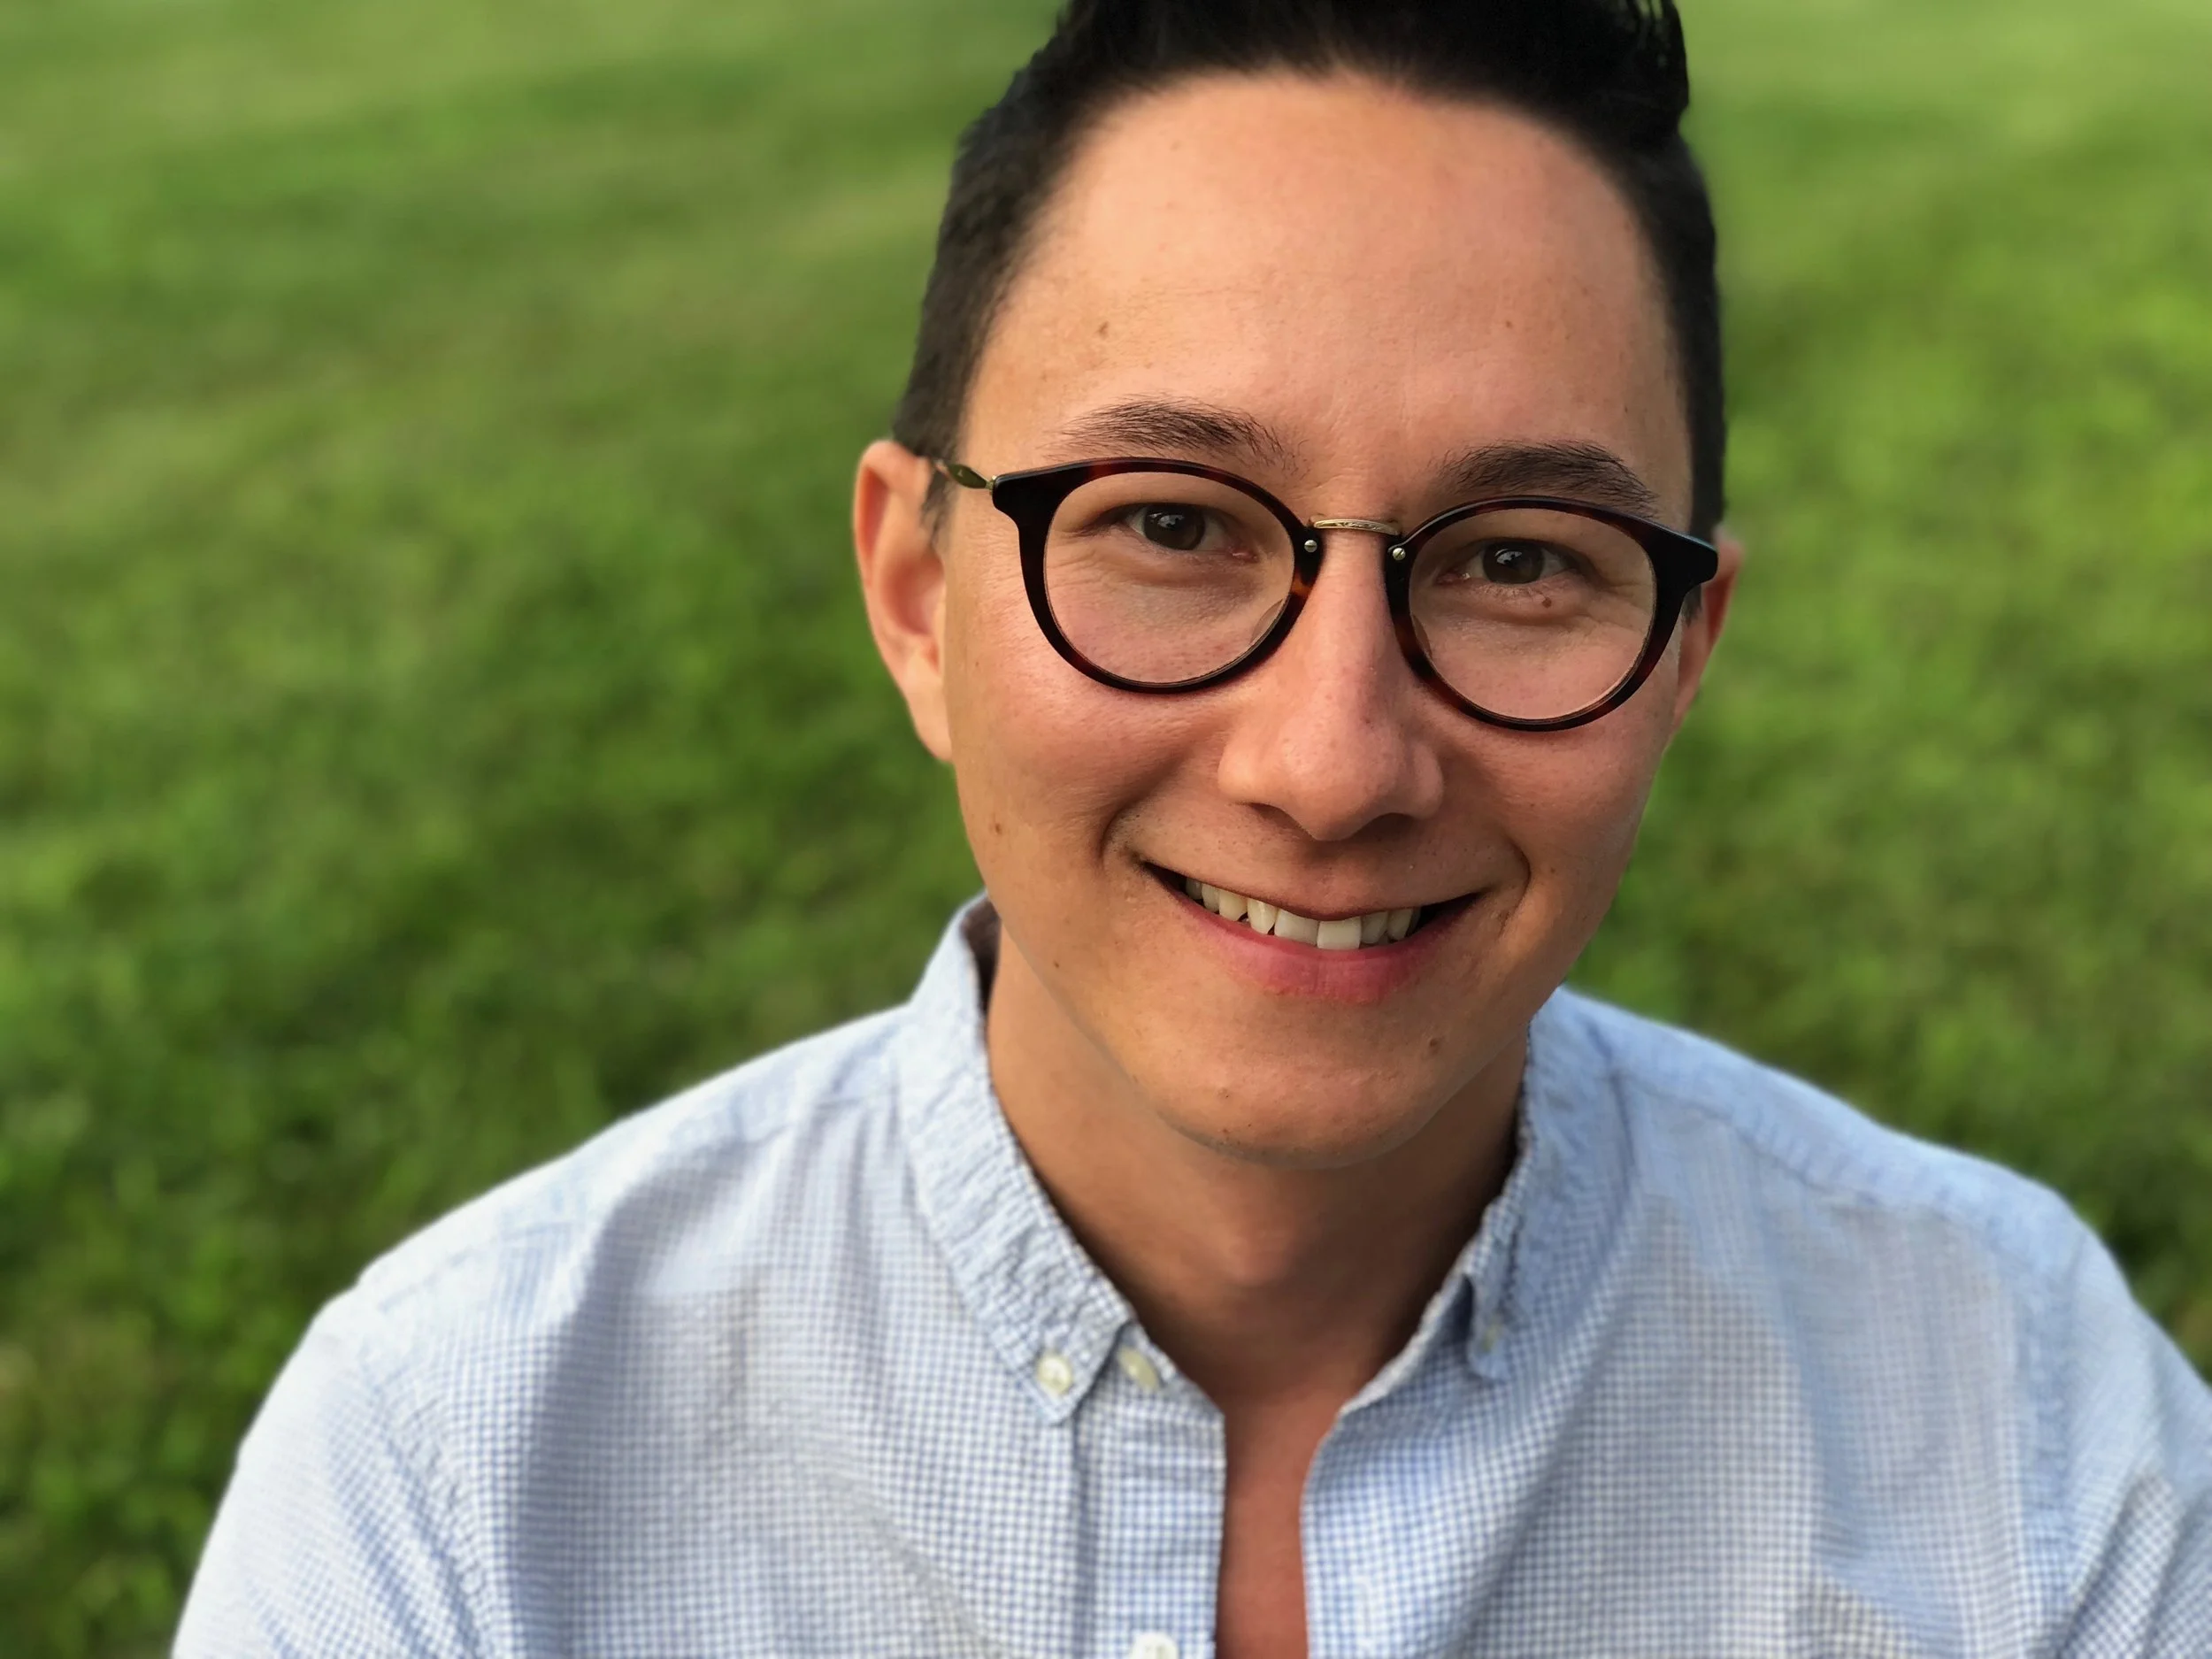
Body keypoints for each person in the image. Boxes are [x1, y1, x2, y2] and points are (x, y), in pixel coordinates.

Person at [176, 1, 2212, 1654]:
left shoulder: (2021, 1432)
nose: (1332, 763)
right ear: (916, 594)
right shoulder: (461, 1480)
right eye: (1167, 524)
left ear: (1678, 655)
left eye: (1518, 559)